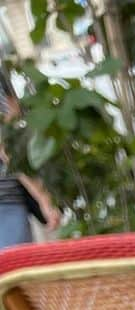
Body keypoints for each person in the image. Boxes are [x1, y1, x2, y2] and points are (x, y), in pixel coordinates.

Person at [0, 70, 60, 248]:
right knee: (12, 270)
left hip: (7, 204)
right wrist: (44, 199)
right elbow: (7, 151)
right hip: (6, 205)